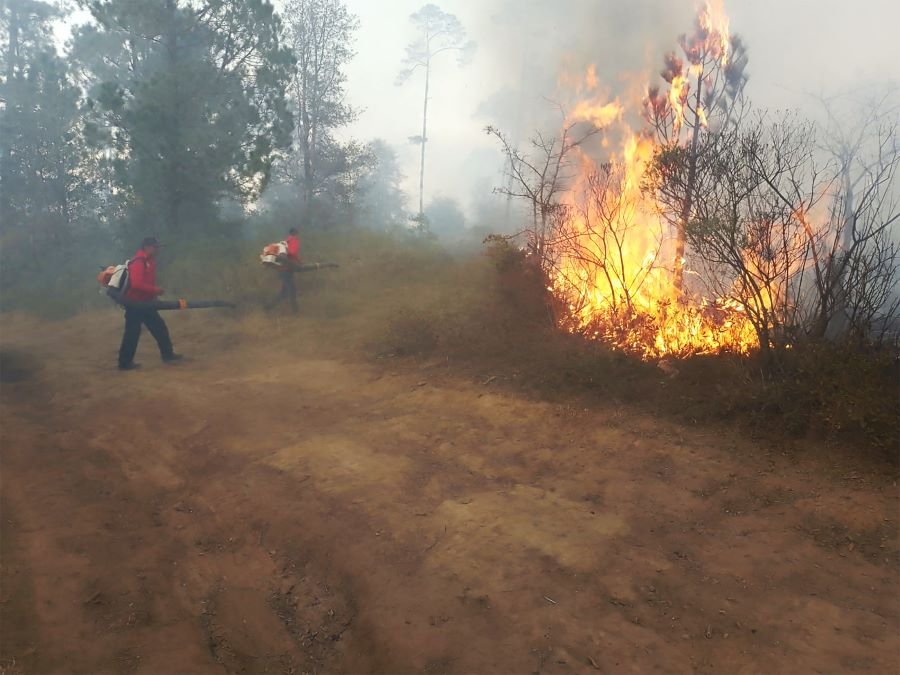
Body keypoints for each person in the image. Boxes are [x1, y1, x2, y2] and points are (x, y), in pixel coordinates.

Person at [117, 237, 183, 371]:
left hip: (146, 303)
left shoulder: (148, 262)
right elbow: (136, 284)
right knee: (132, 333)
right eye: (155, 247)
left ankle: (168, 355)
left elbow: (146, 283)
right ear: (147, 247)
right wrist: (156, 291)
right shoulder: (139, 262)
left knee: (159, 328)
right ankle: (124, 364)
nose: (157, 250)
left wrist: (153, 297)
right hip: (135, 304)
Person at [269, 227, 301, 313]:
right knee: (292, 290)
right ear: (296, 233)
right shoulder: (294, 240)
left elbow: (287, 253)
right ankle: (295, 312)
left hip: (282, 269)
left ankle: (268, 308)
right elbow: (292, 252)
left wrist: (298, 261)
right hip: (287, 269)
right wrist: (297, 262)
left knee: (284, 292)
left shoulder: (286, 241)